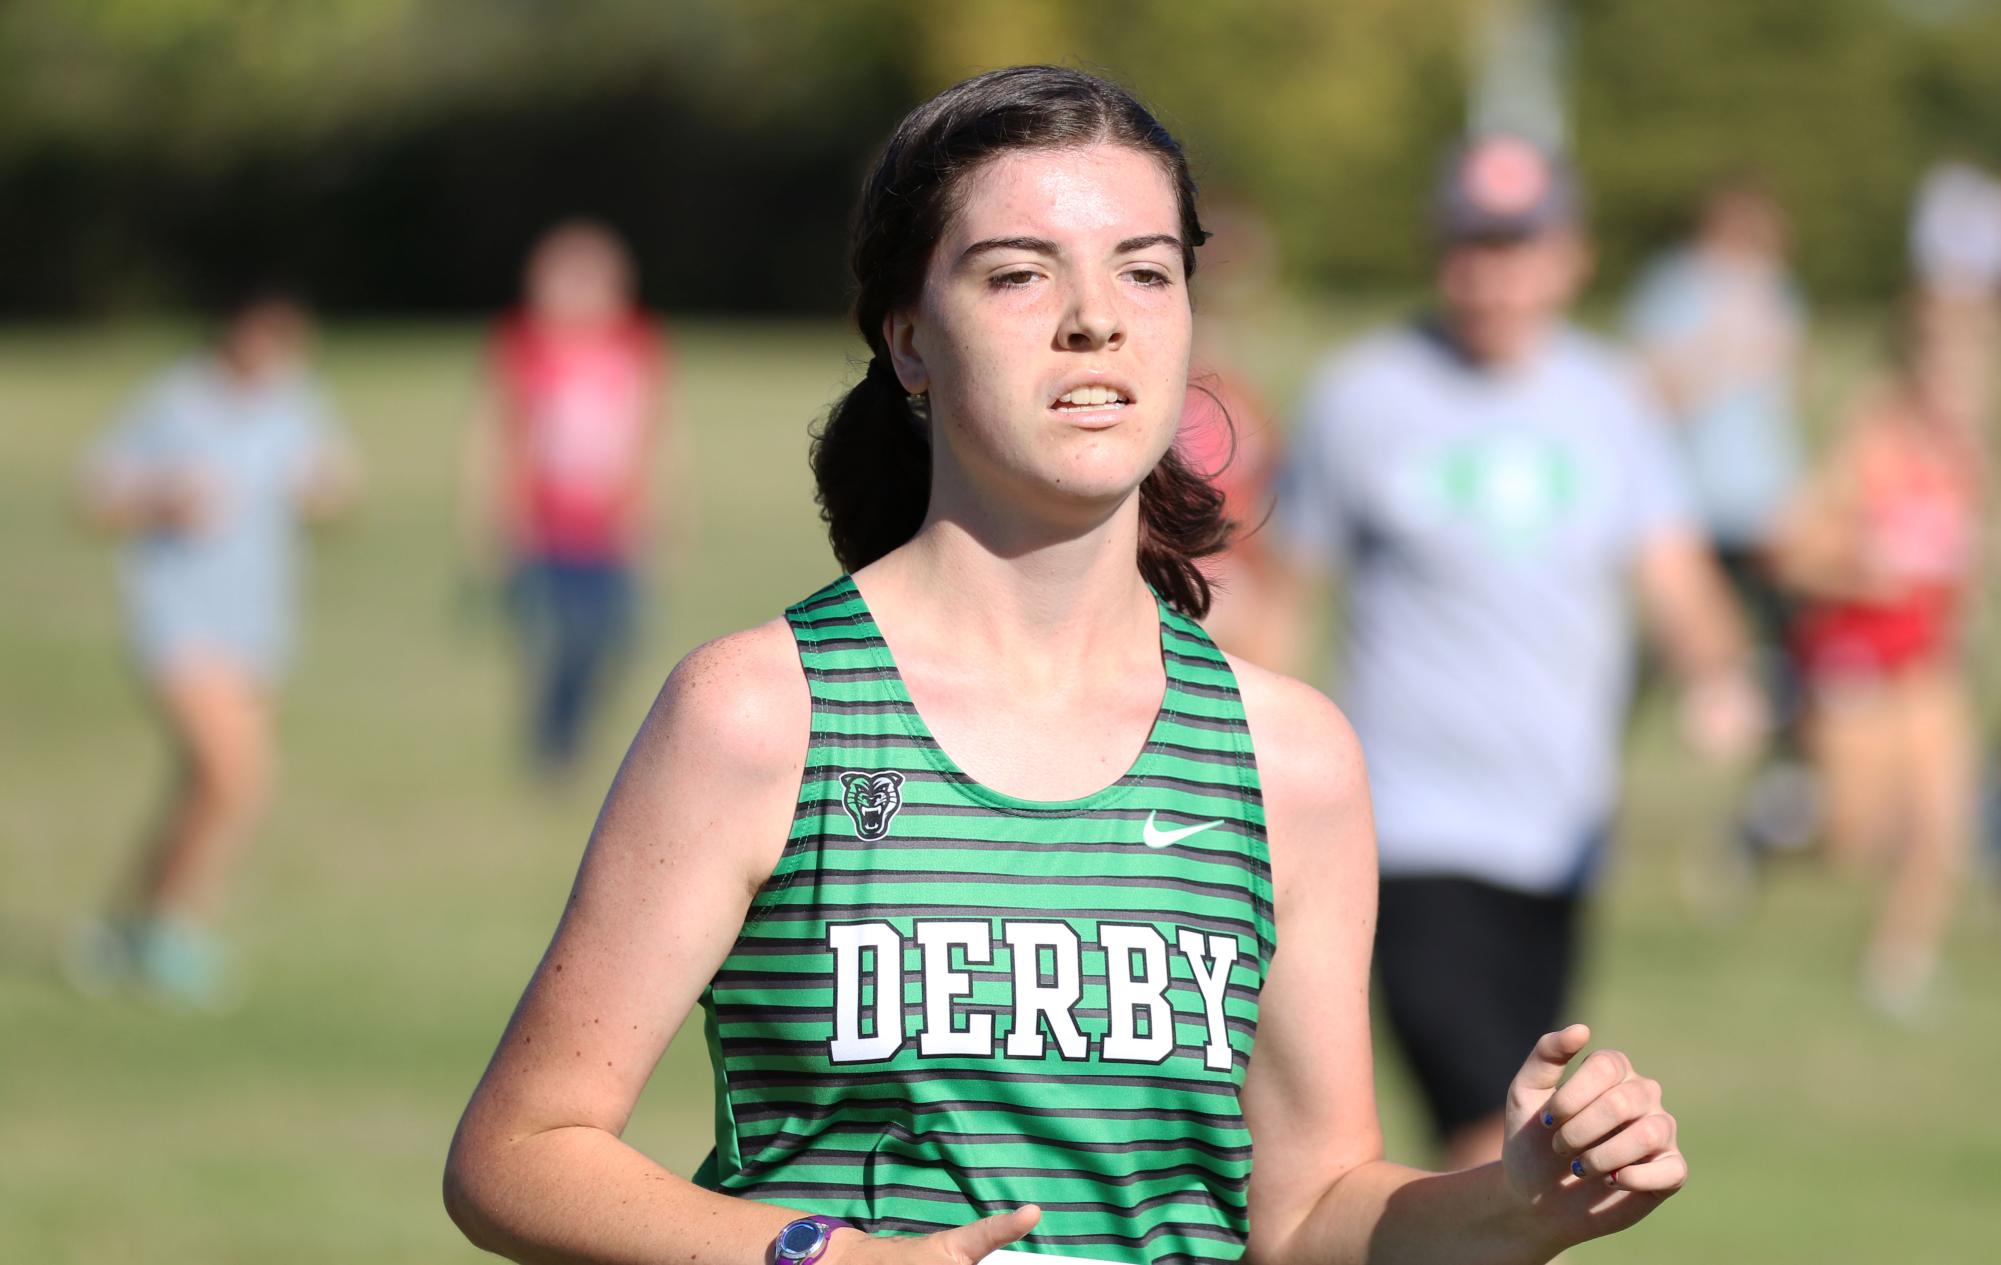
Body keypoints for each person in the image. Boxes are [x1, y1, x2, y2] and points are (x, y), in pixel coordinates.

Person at [446, 68, 1686, 1265]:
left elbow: (1307, 1213)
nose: (1095, 316)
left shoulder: (1287, 755)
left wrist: (1518, 1207)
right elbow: (519, 1153)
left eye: (1145, 270)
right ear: (910, 340)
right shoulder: (764, 710)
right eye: (1018, 272)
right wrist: (818, 1251)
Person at [1273, 135, 1755, 1173]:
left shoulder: (1612, 401)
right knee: (1487, 1142)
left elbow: (1676, 577)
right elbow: (1280, 597)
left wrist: (1721, 668)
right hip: (1407, 830)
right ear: (1436, 247)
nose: (1491, 271)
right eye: (1469, 242)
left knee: (1519, 1153)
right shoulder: (1362, 395)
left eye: (1517, 244)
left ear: (1568, 255)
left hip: (1557, 834)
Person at [69, 290, 357, 1007]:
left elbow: (333, 491)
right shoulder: (175, 402)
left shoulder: (295, 401)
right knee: (237, 776)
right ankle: (174, 934)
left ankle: (128, 929)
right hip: (177, 625)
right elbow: (94, 496)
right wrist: (162, 498)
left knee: (200, 790)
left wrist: (324, 492)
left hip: (256, 630)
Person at [1775, 294, 1988, 1021]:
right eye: (1949, 368)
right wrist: (1856, 569)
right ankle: (1767, 828)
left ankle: (1897, 967)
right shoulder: (1867, 445)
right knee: (1852, 835)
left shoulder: (1967, 459)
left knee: (1942, 830)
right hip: (1851, 659)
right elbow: (1789, 549)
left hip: (1925, 667)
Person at [1624, 176, 1814, 866]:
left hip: (1761, 503)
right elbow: (1649, 388)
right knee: (1665, 647)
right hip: (1691, 501)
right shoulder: (1672, 286)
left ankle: (1785, 786)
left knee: (1788, 648)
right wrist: (1717, 353)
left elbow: (1780, 392)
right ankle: (1593, 773)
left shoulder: (1775, 288)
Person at [461, 220, 681, 777]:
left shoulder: (636, 342)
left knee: (616, 639)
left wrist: (662, 508)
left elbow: (658, 429)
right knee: (560, 640)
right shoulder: (523, 343)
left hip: (612, 525)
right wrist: (491, 516)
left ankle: (575, 730)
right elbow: (495, 431)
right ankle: (553, 746)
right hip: (544, 524)